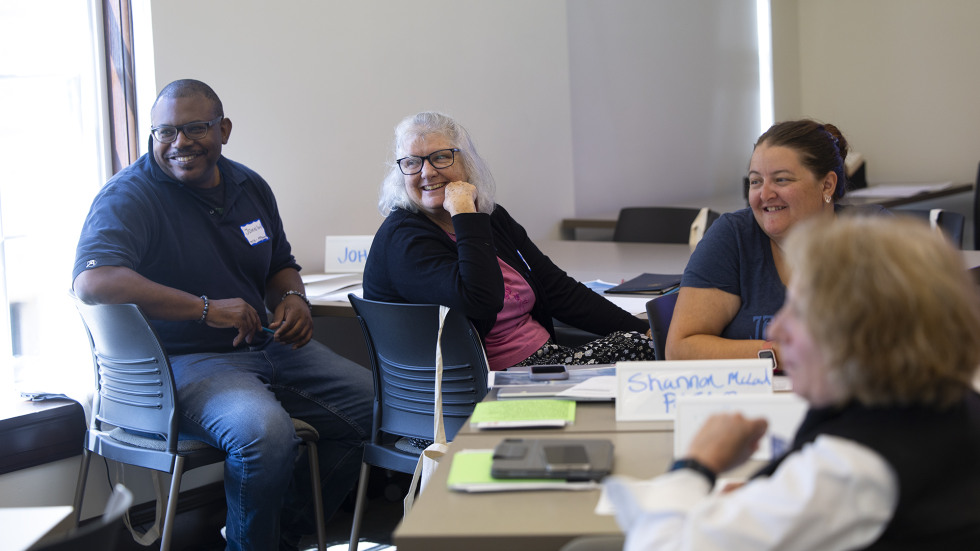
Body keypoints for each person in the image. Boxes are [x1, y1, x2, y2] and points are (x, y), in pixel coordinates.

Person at [72, 79, 373, 551]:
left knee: (379, 409)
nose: (179, 143)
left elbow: (280, 265)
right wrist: (204, 309)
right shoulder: (129, 196)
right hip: (183, 362)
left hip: (267, 346)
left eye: (195, 128)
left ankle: (275, 534)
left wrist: (293, 298)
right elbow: (93, 282)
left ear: (224, 129)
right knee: (264, 434)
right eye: (165, 132)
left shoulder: (249, 186)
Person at [605, 215, 980, 550]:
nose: (775, 329)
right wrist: (769, 496)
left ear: (863, 334)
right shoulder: (949, 403)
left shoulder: (851, 470)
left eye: (799, 311)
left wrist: (696, 466)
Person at [362, 111, 655, 372]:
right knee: (643, 352)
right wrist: (464, 212)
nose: (427, 172)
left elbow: (556, 288)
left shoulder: (489, 216)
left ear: (467, 163)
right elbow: (480, 301)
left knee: (646, 343)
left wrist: (642, 329)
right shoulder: (403, 239)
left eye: (440, 157)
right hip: (479, 387)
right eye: (412, 162)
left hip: (540, 361)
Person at [667, 119, 887, 363]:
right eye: (755, 181)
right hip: (747, 397)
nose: (765, 194)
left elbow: (906, 343)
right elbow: (680, 349)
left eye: (781, 180)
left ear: (827, 184)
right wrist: (784, 354)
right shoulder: (732, 237)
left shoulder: (871, 236)